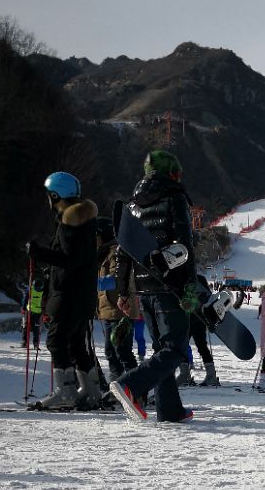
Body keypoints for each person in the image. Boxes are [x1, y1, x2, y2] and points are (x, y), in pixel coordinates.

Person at [110, 149, 205, 424]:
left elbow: (123, 250)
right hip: (169, 287)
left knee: (162, 348)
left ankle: (170, 410)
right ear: (172, 173)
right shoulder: (174, 197)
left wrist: (122, 292)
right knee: (174, 349)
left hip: (143, 289)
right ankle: (131, 384)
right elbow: (185, 246)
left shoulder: (132, 204)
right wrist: (189, 288)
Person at [26, 171, 100, 409]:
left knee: (57, 341)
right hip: (83, 294)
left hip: (68, 293)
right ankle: (91, 392)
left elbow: (69, 259)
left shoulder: (70, 223)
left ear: (56, 195)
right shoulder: (86, 222)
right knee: (76, 344)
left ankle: (66, 391)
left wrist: (39, 253)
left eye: (50, 196)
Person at [96, 216, 137, 380]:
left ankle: (136, 386)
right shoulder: (103, 254)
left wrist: (92, 283)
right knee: (111, 351)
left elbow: (116, 279)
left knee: (121, 350)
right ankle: (118, 383)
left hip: (120, 309)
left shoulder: (116, 251)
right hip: (108, 310)